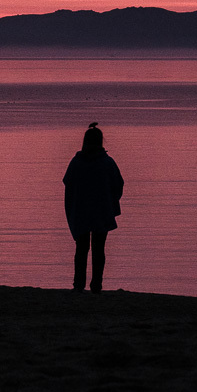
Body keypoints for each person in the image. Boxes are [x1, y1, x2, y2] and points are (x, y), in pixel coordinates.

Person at [63, 122, 124, 293]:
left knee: (81, 249)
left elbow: (68, 183)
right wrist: (111, 202)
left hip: (81, 211)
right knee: (98, 249)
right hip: (101, 211)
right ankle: (96, 284)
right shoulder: (107, 163)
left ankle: (78, 284)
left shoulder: (76, 162)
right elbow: (118, 184)